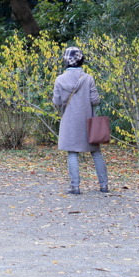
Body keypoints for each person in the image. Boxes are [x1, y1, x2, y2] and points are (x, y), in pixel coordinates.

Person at [53, 46, 109, 195]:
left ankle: (75, 187)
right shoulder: (88, 78)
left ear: (65, 60)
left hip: (70, 122)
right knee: (96, 152)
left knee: (72, 153)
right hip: (88, 121)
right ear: (81, 59)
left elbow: (57, 102)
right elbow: (95, 100)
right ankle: (104, 185)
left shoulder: (59, 79)